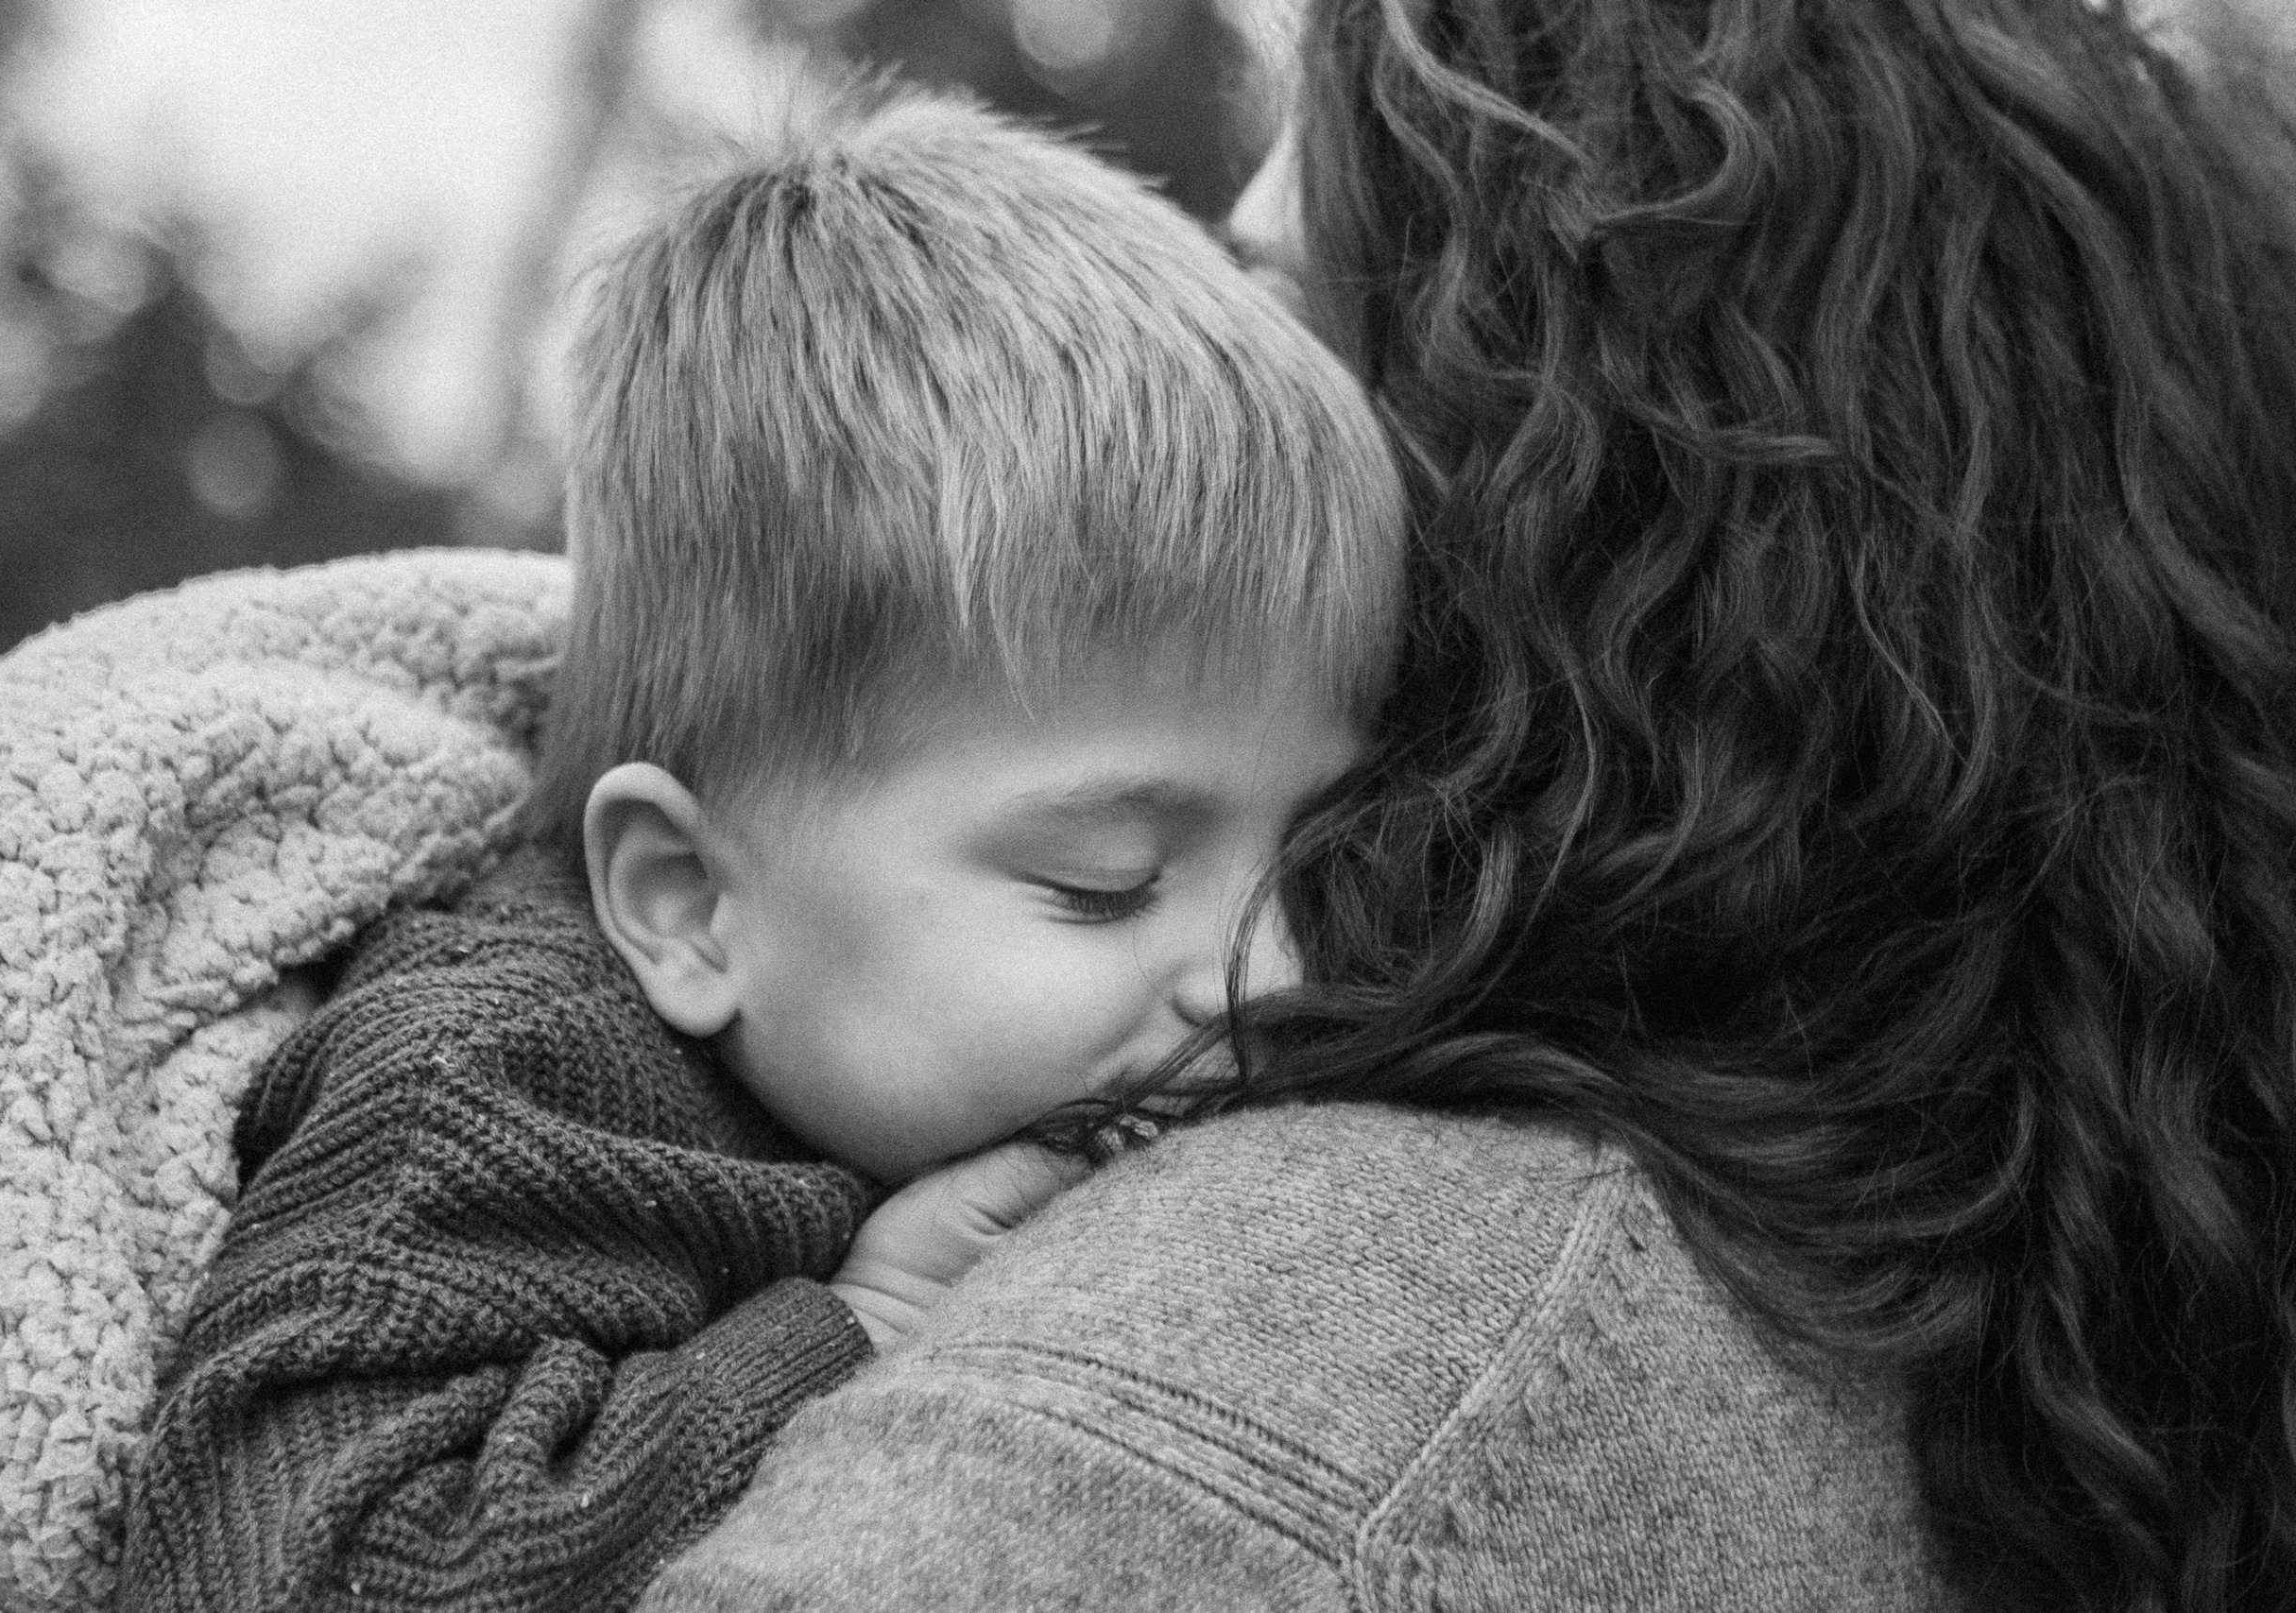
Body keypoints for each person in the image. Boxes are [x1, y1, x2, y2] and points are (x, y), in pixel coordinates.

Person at [634, 2, 2296, 1610]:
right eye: (1104, 875)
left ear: (1546, 488)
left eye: (1278, 297)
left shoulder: (1248, 1400)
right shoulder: (2084, 1281)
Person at [111, 89, 1405, 1613]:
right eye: (1105, 881)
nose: (1271, 975)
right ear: (688, 903)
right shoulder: (497, 1086)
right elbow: (304, 1571)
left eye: (1315, 857)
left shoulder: (889, 1042)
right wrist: (856, 1326)